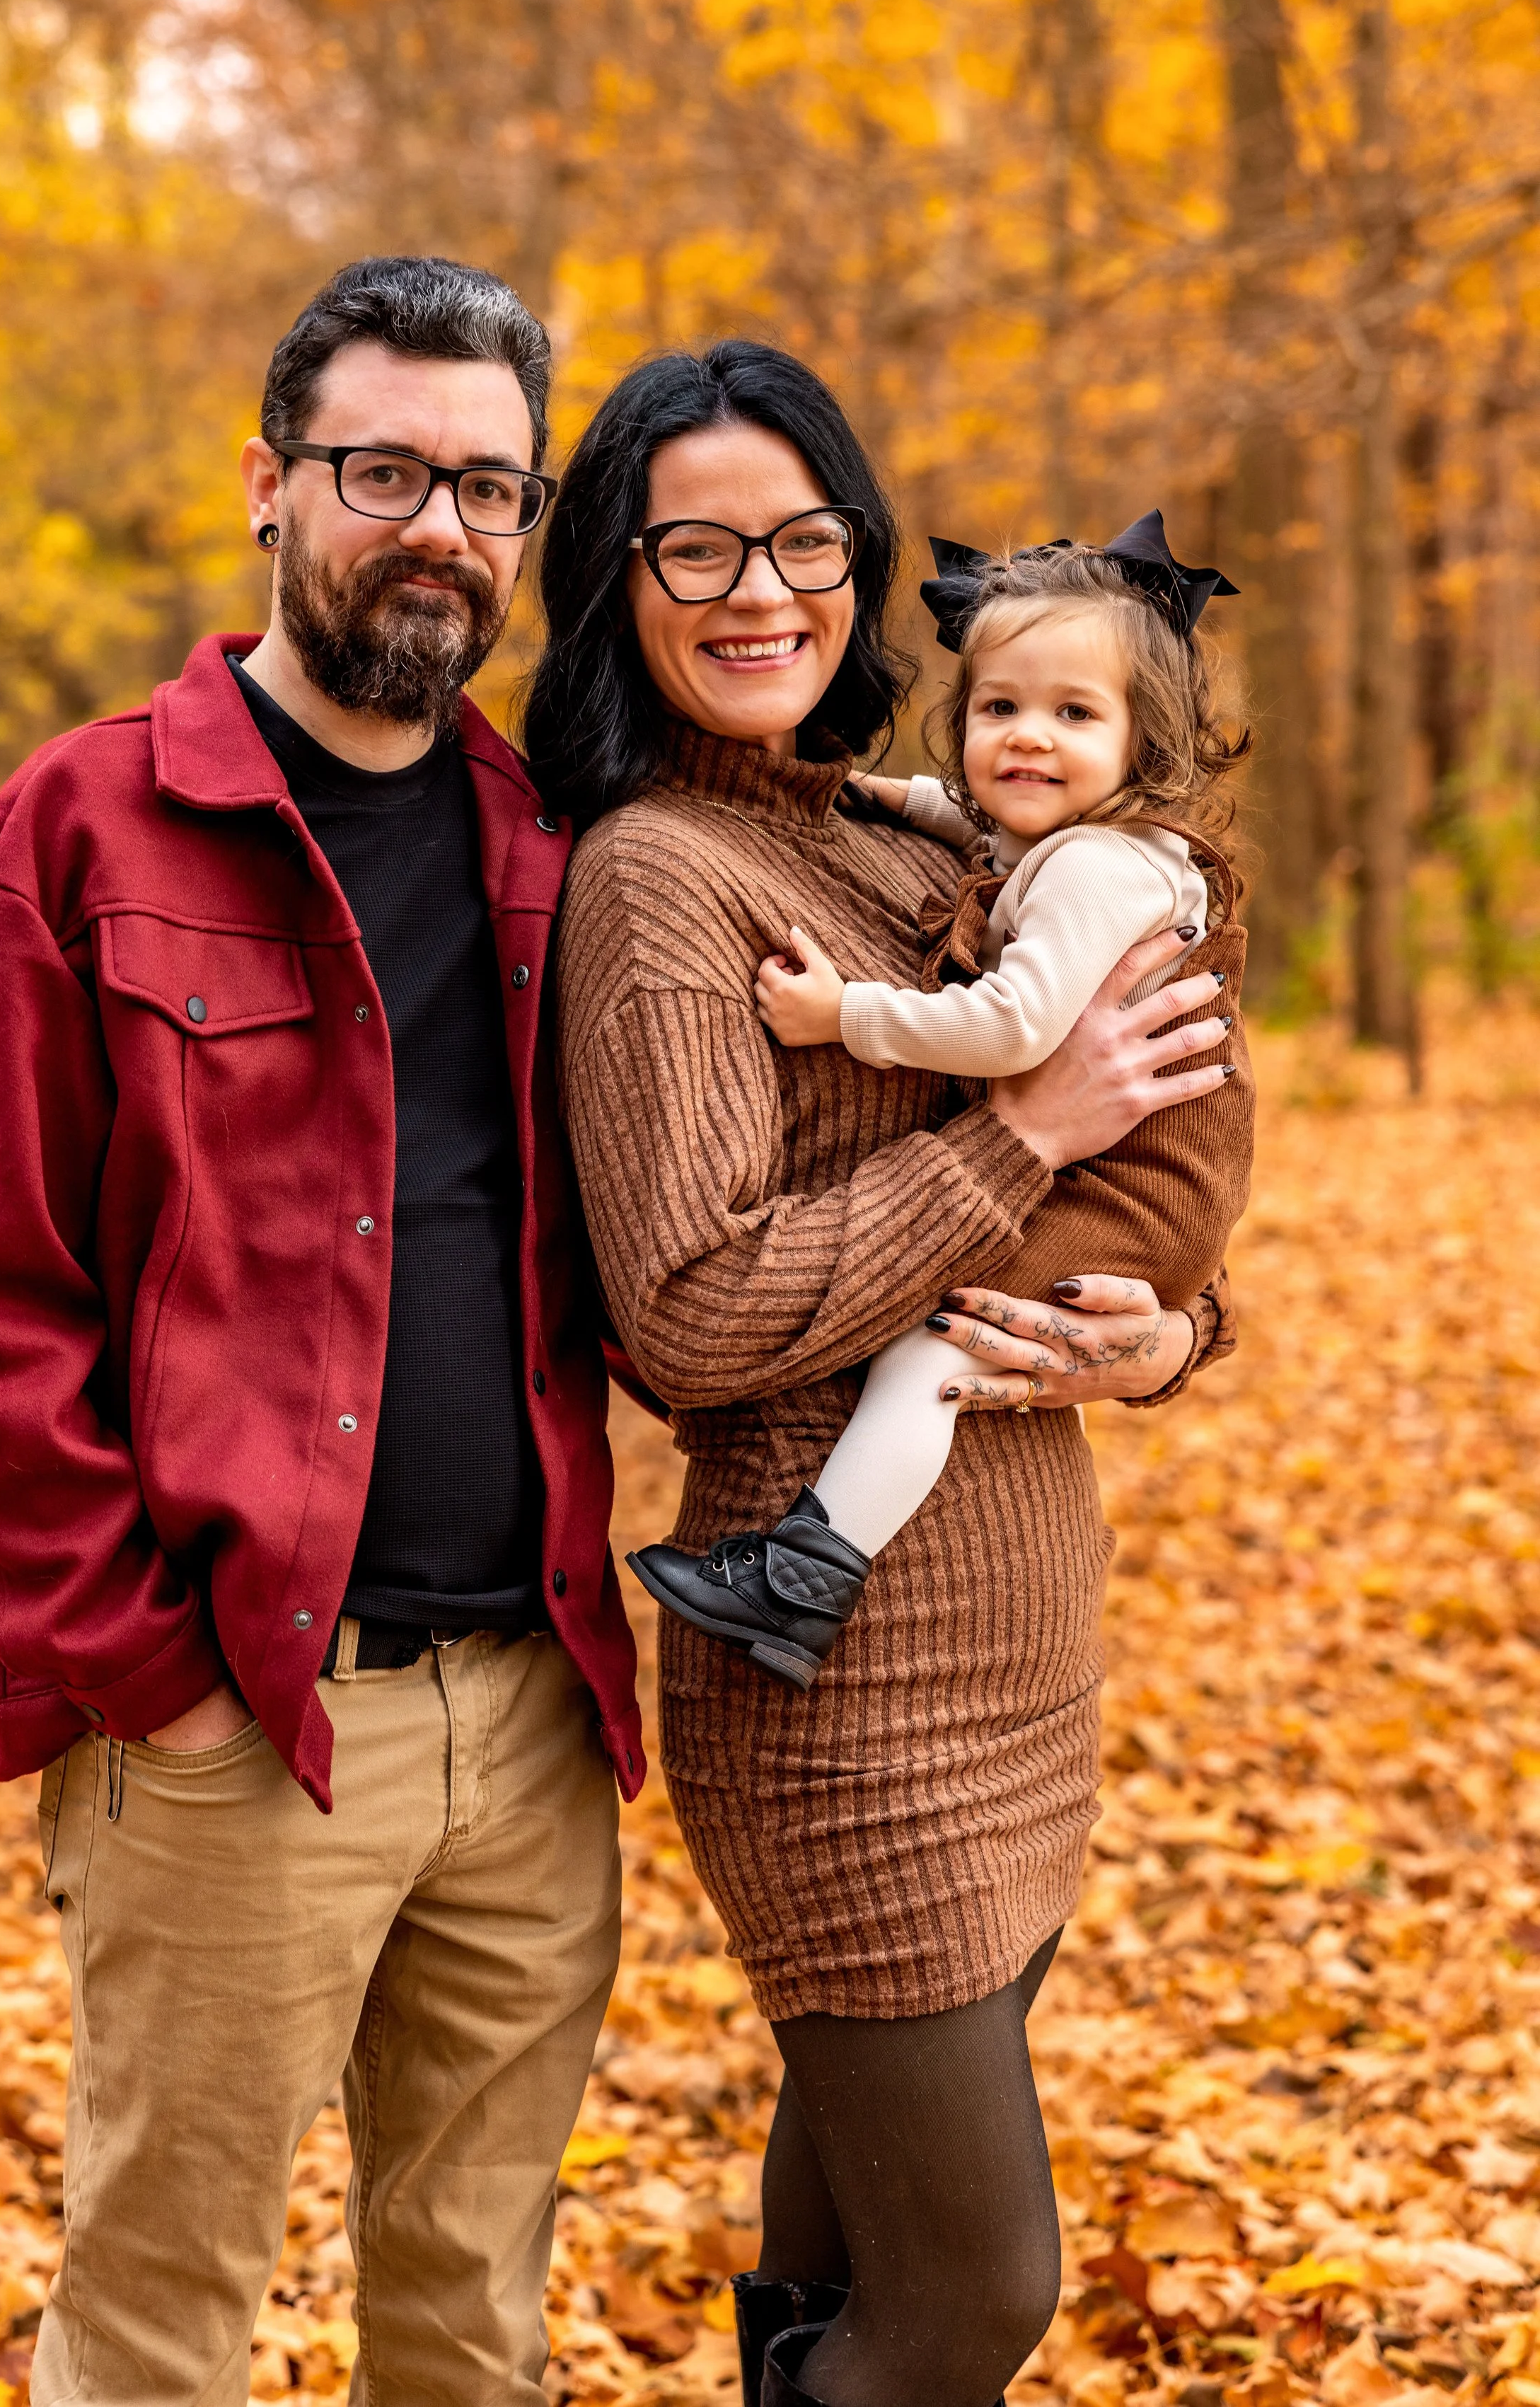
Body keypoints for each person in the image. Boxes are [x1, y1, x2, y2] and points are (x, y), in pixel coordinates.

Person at [0, 255, 646, 2407]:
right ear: (265, 488)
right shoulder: (76, 833)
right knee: (161, 2321)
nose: (441, 530)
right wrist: (147, 1677)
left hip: (536, 1712)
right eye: (382, 469)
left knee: (476, 2319)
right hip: (239, 1724)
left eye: (491, 488)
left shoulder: (555, 852)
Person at [523, 338, 1254, 2407]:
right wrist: (1014, 1136)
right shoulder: (661, 880)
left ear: (860, 564)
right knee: (971, 2298)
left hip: (1020, 1634)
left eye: (802, 535)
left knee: (848, 2231)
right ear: (613, 581)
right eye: (694, 545)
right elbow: (687, 1310)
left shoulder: (906, 829)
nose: (759, 587)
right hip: (836, 1677)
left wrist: (1171, 1330)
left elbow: (1145, 1150)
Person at [628, 513, 1247, 1688]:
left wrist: (844, 1014)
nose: (1027, 738)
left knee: (933, 1348)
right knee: (946, 1341)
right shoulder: (1072, 844)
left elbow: (1014, 1026)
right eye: (998, 709)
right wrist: (873, 793)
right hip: (1134, 1174)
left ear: (1141, 740)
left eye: (1075, 715)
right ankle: (811, 1564)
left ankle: (810, 1575)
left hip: (1141, 1188)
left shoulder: (1094, 870)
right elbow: (965, 819)